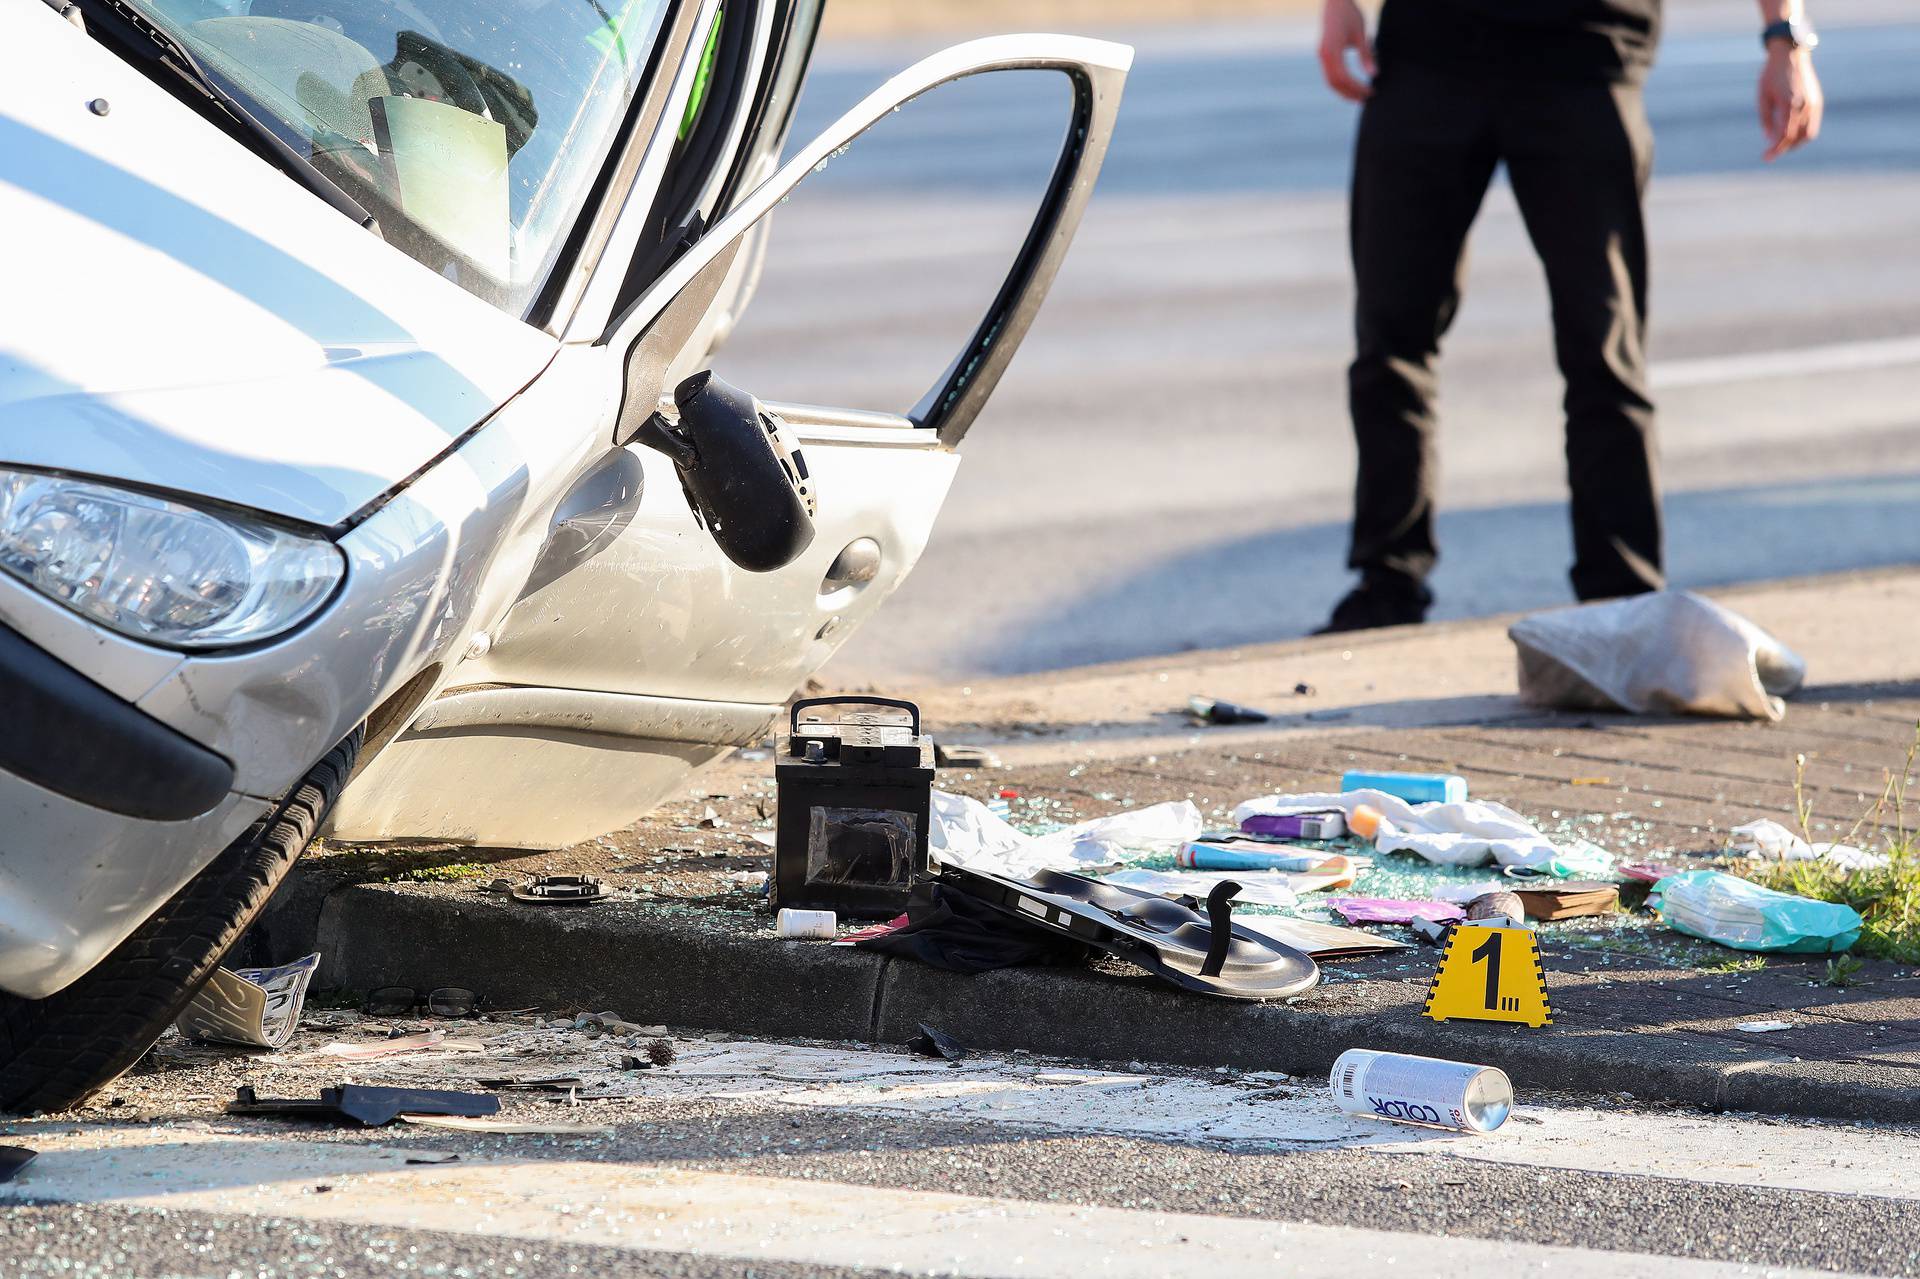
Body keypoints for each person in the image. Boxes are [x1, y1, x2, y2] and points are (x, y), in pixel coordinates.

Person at [1314, 0, 1824, 633]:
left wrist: (1786, 37)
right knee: (1390, 340)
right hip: (1430, 47)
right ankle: (1387, 583)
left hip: (1586, 50)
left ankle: (1623, 597)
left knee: (1603, 347)